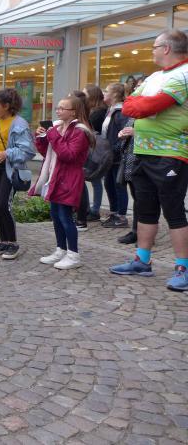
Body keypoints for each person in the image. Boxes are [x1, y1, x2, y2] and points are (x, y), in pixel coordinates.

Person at [110, 29, 188, 293]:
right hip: (143, 151)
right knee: (145, 210)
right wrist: (138, 104)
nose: (152, 51)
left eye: (154, 46)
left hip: (171, 154)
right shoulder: (155, 77)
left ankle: (183, 268)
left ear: (166, 48)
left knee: (174, 212)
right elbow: (129, 104)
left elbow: (146, 107)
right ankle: (142, 261)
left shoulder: (184, 74)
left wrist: (140, 104)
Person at [32, 94, 94, 270]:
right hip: (56, 176)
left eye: (62, 108)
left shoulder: (80, 131)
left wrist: (52, 134)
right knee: (56, 215)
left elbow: (68, 155)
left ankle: (73, 255)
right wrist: (41, 138)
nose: (58, 111)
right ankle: (61, 249)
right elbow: (48, 152)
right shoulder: (59, 127)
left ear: (73, 112)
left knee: (65, 217)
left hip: (69, 178)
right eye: (57, 107)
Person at [0, 89, 35, 260]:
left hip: (9, 169)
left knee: (3, 204)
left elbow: (28, 151)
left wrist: (7, 153)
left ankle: (13, 243)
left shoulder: (19, 124)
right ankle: (3, 241)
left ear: (7, 106)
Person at [100, 83, 130, 229]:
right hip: (109, 156)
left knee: (118, 185)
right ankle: (114, 213)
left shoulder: (121, 112)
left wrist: (114, 150)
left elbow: (124, 135)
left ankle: (121, 217)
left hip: (117, 157)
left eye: (106, 91)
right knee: (109, 184)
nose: (103, 93)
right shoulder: (110, 110)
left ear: (115, 95)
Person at [83, 84, 108, 223]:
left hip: (95, 150)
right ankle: (90, 208)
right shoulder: (93, 110)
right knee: (93, 180)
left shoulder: (98, 113)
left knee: (94, 179)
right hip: (93, 148)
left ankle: (93, 209)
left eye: (85, 94)